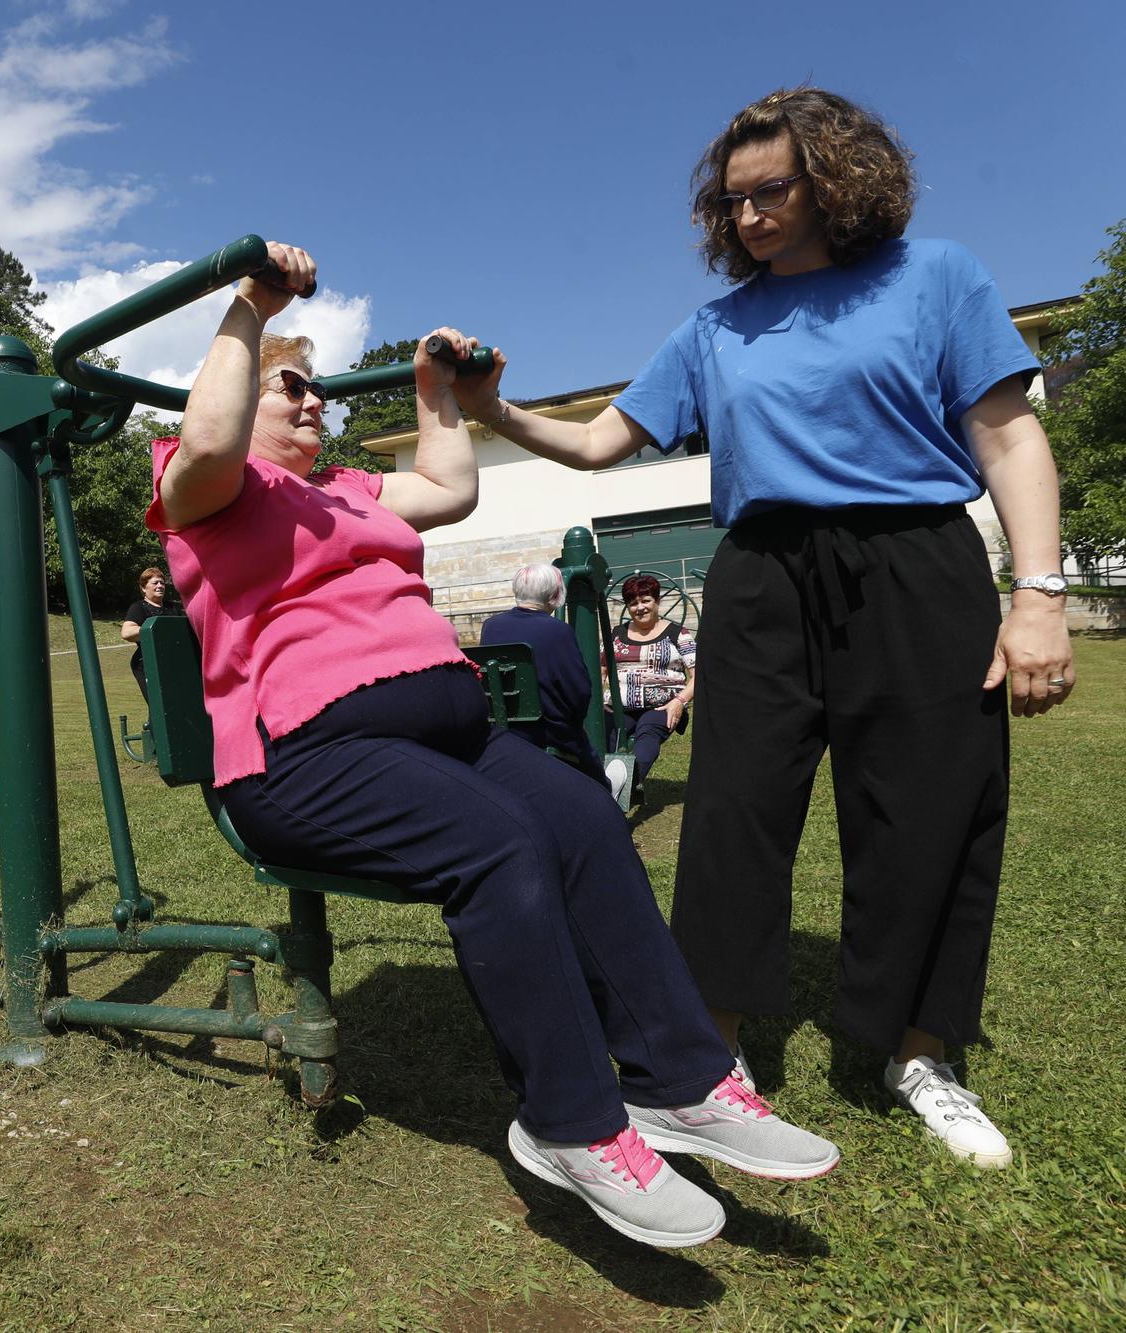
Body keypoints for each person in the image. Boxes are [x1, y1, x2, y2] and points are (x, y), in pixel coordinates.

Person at [148, 242, 837, 1250]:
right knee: (497, 842)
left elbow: (449, 488)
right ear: (240, 387)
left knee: (585, 823)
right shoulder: (201, 488)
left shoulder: (344, 490)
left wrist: (437, 393)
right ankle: (569, 1123)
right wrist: (250, 308)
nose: (313, 403)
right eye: (290, 387)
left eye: (317, 392)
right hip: (304, 756)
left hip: (446, 728)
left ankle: (679, 1082)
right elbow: (207, 437)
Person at [441, 88, 1074, 1169]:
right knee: (733, 813)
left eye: (766, 191)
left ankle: (919, 1051)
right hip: (764, 575)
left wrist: (1037, 594)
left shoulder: (936, 277)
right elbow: (600, 445)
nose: (744, 218)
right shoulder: (711, 329)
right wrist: (492, 410)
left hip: (913, 560)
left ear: (834, 177)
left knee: (929, 807)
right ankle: (704, 1054)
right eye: (728, 202)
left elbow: (1007, 439)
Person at [478, 563, 604, 783]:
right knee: (593, 771)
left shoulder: (491, 626)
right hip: (548, 732)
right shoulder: (557, 630)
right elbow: (579, 691)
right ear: (556, 595)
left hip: (503, 726)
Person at [604, 573, 697, 804]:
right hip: (619, 706)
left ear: (657, 602)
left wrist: (679, 701)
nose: (640, 607)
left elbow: (699, 675)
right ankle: (603, 788)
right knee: (606, 735)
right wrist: (599, 699)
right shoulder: (616, 634)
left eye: (645, 600)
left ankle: (621, 789)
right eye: (633, 602)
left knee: (647, 731)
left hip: (662, 706)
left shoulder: (677, 634)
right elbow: (601, 671)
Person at [119, 566, 182, 710]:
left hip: (173, 663)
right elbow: (127, 632)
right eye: (155, 583)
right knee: (160, 707)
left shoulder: (172, 608)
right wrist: (156, 629)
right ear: (143, 588)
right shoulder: (139, 607)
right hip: (148, 664)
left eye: (162, 582)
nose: (160, 586)